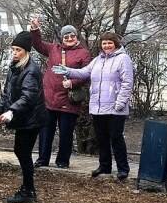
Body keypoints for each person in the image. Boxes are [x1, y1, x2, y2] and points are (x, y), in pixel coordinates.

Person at [54, 32, 134, 181]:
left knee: (116, 138)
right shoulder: (98, 60)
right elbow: (85, 72)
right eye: (104, 43)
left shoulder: (123, 59)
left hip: (116, 108)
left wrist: (120, 103)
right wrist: (68, 71)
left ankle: (123, 168)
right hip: (98, 107)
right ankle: (105, 166)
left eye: (110, 43)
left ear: (115, 44)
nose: (107, 46)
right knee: (101, 138)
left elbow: (127, 83)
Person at [0, 31, 46, 203]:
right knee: (21, 151)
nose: (15, 52)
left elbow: (28, 97)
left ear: (26, 51)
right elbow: (7, 94)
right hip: (23, 117)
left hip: (31, 118)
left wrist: (11, 111)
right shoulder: (15, 67)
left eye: (18, 50)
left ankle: (28, 190)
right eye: (13, 49)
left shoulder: (31, 71)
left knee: (23, 151)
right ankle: (28, 188)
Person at [30, 19, 91, 168]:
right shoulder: (53, 49)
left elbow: (87, 74)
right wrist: (35, 29)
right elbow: (37, 44)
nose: (69, 39)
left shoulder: (84, 53)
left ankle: (62, 161)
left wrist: (72, 83)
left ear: (77, 37)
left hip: (69, 101)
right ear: (61, 38)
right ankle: (42, 159)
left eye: (72, 36)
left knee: (66, 133)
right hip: (49, 99)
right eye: (66, 37)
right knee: (45, 131)